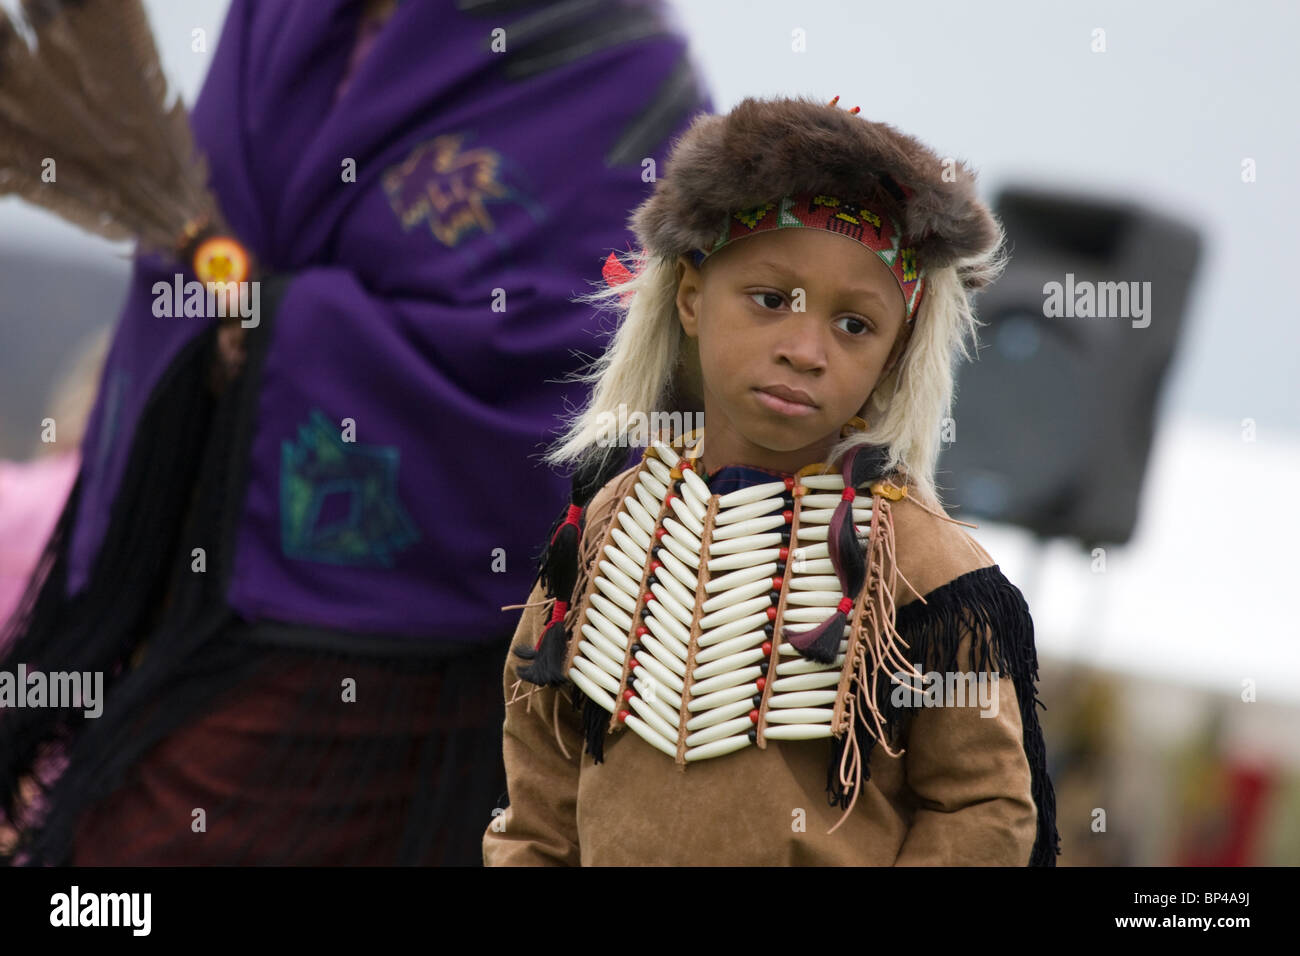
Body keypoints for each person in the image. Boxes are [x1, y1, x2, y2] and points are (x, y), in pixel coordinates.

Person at [0, 0, 709, 865]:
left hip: (409, 678)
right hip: (183, 601)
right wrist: (230, 306)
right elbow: (206, 224)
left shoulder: (614, 71)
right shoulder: (277, 21)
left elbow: (578, 360)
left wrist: (279, 326)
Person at [482, 94, 1061, 866]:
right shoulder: (603, 531)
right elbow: (540, 792)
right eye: (769, 300)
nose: (804, 349)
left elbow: (981, 810)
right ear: (691, 298)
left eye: (854, 324)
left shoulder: (927, 573)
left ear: (894, 354)